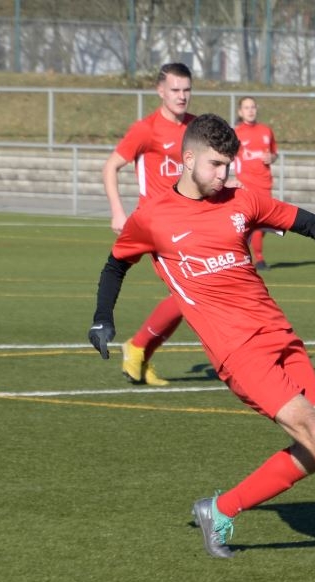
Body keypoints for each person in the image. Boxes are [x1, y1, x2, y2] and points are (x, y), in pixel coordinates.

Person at [88, 114, 315, 558]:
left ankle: (221, 508)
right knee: (314, 433)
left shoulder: (241, 201)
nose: (224, 173)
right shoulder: (152, 218)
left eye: (228, 164)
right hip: (237, 352)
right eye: (215, 164)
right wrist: (103, 318)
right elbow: (116, 264)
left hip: (280, 334)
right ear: (188, 158)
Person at [102, 62, 195, 386]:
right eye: (175, 90)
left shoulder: (196, 128)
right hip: (157, 226)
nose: (182, 96)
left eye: (186, 90)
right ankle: (139, 347)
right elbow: (111, 167)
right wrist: (118, 211)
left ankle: (140, 352)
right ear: (160, 91)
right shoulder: (146, 129)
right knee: (190, 292)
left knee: (190, 295)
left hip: (191, 224)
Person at [234, 96, 279, 271]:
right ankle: (259, 260)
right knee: (257, 222)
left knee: (264, 224)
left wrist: (272, 158)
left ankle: (242, 253)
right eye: (246, 107)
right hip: (247, 183)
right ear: (240, 111)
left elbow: (274, 153)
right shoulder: (236, 133)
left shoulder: (266, 131)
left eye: (252, 107)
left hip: (265, 183)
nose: (250, 110)